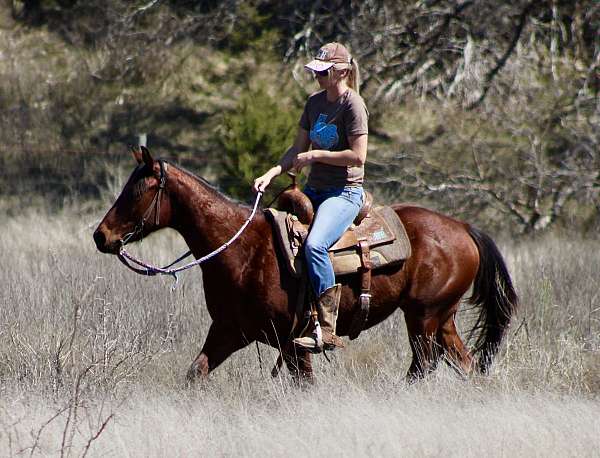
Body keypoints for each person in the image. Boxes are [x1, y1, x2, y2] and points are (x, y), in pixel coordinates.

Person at [253, 42, 369, 353]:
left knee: (316, 245)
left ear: (342, 71)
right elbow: (296, 150)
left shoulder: (353, 105)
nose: (318, 77)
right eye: (316, 71)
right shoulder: (314, 103)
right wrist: (271, 173)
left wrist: (317, 154)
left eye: (324, 71)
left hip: (344, 193)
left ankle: (328, 327)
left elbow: (358, 157)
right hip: (313, 191)